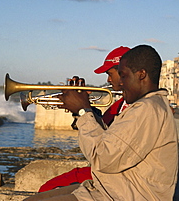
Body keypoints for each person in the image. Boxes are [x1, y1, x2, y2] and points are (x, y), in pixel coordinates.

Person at [26, 45, 178, 200]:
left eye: (123, 76)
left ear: (141, 75)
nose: (120, 83)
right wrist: (83, 112)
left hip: (124, 195)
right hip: (113, 188)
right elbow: (111, 142)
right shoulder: (147, 105)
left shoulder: (146, 109)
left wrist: (83, 111)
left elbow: (103, 159)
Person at [37, 46, 130, 193]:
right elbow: (103, 130)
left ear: (124, 72)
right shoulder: (120, 104)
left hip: (115, 176)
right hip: (106, 170)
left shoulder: (134, 107)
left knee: (47, 190)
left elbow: (105, 152)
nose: (108, 79)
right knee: (47, 189)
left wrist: (83, 110)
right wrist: (82, 108)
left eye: (110, 73)